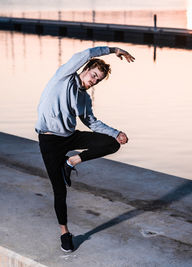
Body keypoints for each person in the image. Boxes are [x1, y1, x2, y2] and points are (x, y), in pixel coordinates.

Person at [35, 46, 135, 252]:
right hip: (49, 141)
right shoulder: (64, 78)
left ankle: (71, 162)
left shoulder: (84, 98)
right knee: (59, 190)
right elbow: (86, 54)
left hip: (70, 137)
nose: (93, 81)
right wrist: (113, 50)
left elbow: (92, 123)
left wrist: (116, 133)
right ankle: (65, 232)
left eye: (97, 80)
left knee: (111, 143)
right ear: (85, 68)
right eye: (93, 75)